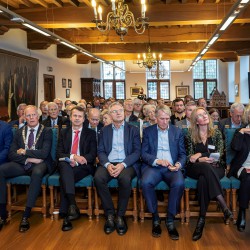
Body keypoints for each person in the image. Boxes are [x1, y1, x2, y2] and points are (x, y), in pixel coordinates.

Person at [0, 105, 53, 232]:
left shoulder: (46, 131)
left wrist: (24, 151)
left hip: (41, 164)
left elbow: (44, 154)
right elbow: (11, 154)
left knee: (37, 172)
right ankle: (2, 214)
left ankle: (26, 215)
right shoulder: (19, 132)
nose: (31, 118)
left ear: (38, 115)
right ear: (24, 117)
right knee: (1, 170)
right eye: (28, 115)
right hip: (23, 163)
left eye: (33, 114)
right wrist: (28, 158)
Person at [185, 107, 233, 241]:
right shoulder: (190, 134)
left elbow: (220, 152)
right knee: (204, 168)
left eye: (205, 113)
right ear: (196, 121)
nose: (205, 116)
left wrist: (200, 154)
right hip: (195, 168)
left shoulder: (216, 133)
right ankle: (223, 205)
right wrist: (199, 159)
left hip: (215, 166)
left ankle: (201, 219)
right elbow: (189, 156)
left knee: (203, 180)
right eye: (200, 115)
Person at [94, 102, 141, 236]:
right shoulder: (104, 130)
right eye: (114, 111)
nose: (119, 113)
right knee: (98, 178)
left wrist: (123, 165)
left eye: (120, 110)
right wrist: (108, 164)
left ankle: (120, 216)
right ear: (109, 114)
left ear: (124, 112)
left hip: (127, 163)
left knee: (124, 179)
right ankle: (109, 214)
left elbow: (137, 152)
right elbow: (101, 151)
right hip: (109, 162)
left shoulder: (133, 130)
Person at [141, 105, 186, 240]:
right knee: (145, 182)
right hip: (154, 166)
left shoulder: (177, 131)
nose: (165, 121)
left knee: (179, 183)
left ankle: (170, 219)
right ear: (155, 117)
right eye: (162, 119)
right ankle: (155, 217)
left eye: (167, 118)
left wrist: (178, 164)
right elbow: (144, 153)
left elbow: (183, 154)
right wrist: (157, 161)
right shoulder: (148, 131)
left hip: (171, 167)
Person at [57, 106, 97, 231]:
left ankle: (66, 210)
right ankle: (71, 209)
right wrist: (74, 156)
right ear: (70, 117)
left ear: (84, 119)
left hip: (83, 166)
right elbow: (59, 153)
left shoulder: (91, 133)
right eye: (75, 115)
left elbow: (92, 154)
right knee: (65, 166)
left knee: (64, 176)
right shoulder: (63, 132)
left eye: (80, 116)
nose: (77, 118)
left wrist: (79, 161)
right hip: (67, 163)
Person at [228, 104, 250, 232]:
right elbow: (235, 148)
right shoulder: (240, 131)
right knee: (247, 178)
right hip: (243, 166)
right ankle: (242, 211)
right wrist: (242, 132)